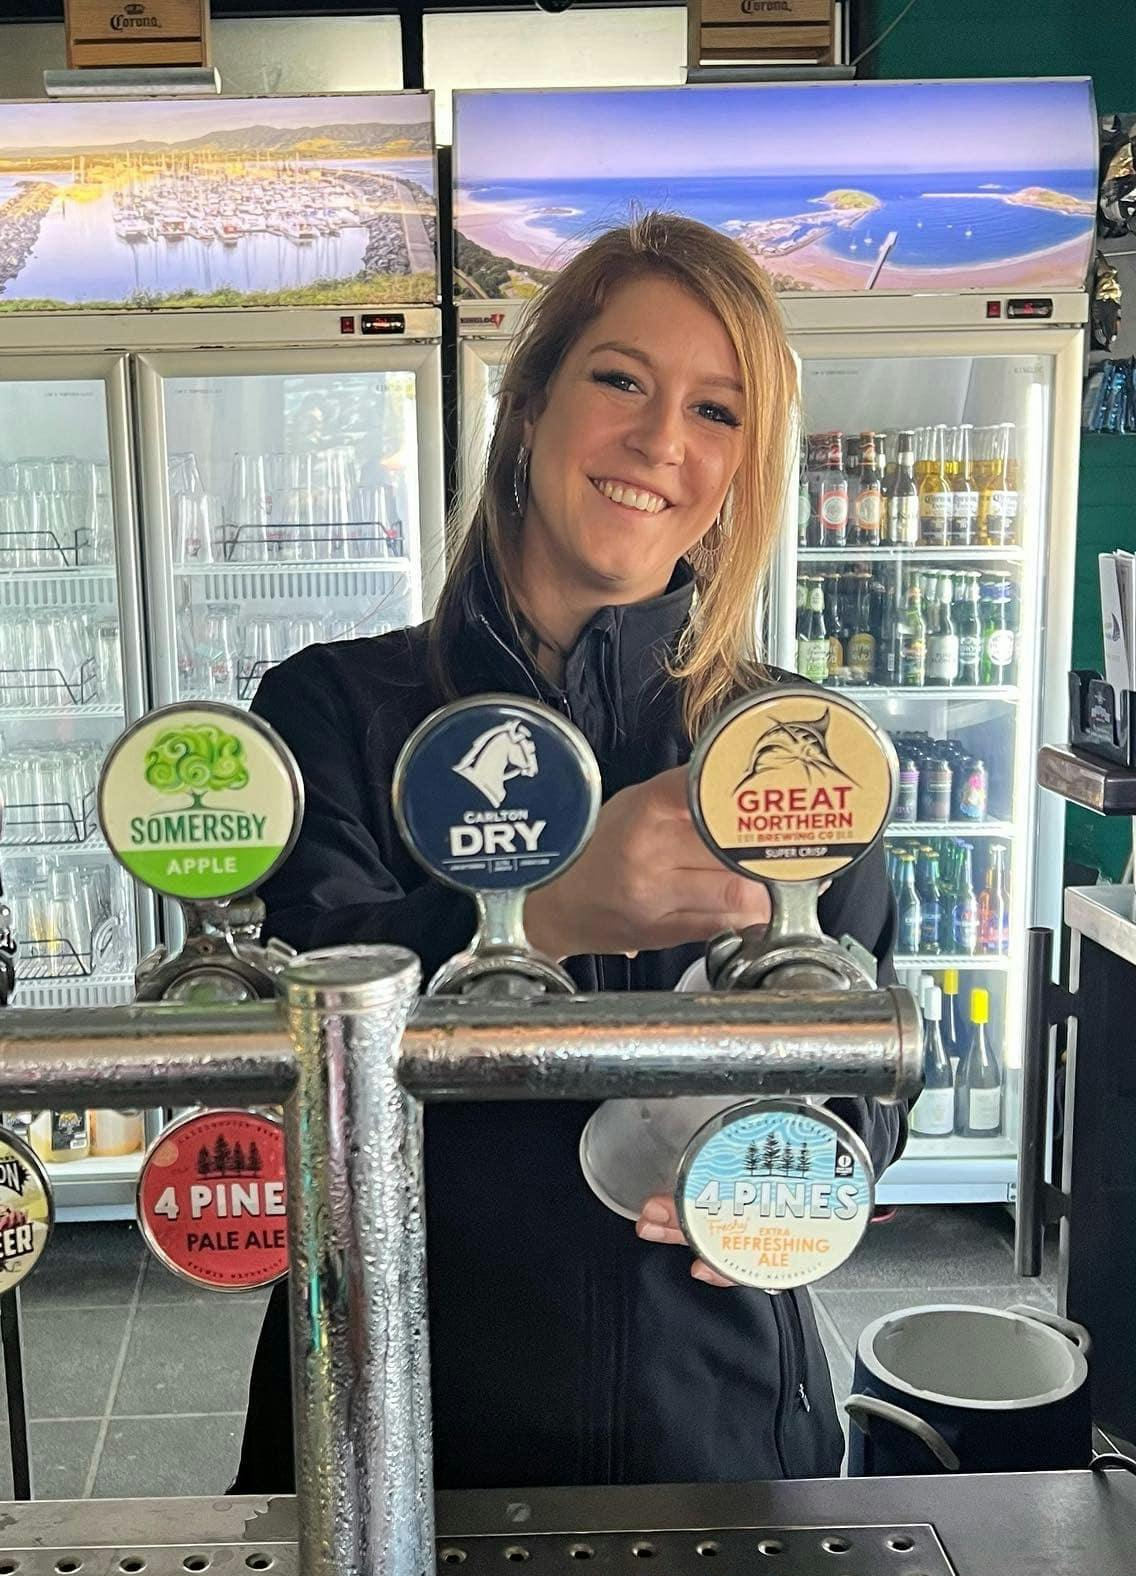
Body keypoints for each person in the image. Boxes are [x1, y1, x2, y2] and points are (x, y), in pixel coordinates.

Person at [232, 212, 903, 1492]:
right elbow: (287, 1030)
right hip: (404, 1421)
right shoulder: (331, 707)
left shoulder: (786, 743)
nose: (661, 442)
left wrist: (825, 1154)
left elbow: (876, 1043)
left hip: (714, 1413)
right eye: (621, 381)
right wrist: (543, 914)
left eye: (717, 412)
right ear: (529, 408)